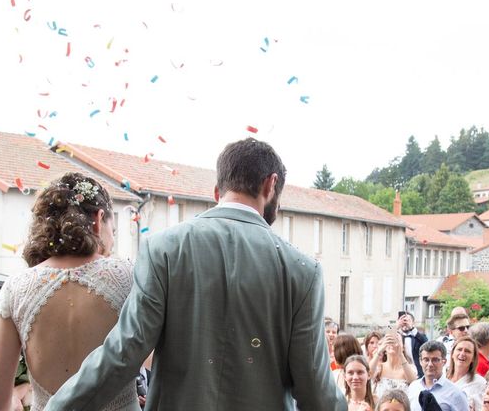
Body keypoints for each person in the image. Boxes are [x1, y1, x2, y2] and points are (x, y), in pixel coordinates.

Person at [46, 138, 346, 410]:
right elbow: (316, 391)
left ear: (218, 192)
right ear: (271, 185)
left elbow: (123, 353)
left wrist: (56, 407)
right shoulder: (303, 271)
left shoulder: (163, 249)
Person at [0, 172, 138, 411]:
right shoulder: (130, 276)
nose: (113, 241)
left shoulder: (16, 287)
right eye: (114, 231)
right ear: (99, 220)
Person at [407, 340, 469, 411]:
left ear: (444, 361)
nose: (430, 364)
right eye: (426, 360)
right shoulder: (413, 388)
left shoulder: (456, 394)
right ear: (420, 361)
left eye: (435, 360)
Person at [370, 331, 417, 400]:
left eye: (396, 340)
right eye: (389, 340)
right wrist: (380, 350)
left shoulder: (409, 368)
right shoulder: (379, 367)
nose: (392, 344)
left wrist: (400, 353)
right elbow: (368, 374)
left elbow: (413, 382)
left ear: (403, 347)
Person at [446, 336, 486, 411]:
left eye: (467, 351)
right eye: (459, 349)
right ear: (452, 354)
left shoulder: (479, 383)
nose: (462, 353)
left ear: (473, 359)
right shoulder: (442, 378)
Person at [398, 312, 428, 378]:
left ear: (413, 323)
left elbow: (427, 344)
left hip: (418, 373)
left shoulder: (419, 336)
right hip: (401, 373)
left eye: (408, 320)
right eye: (403, 321)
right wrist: (397, 326)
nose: (405, 323)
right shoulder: (397, 337)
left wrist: (411, 328)